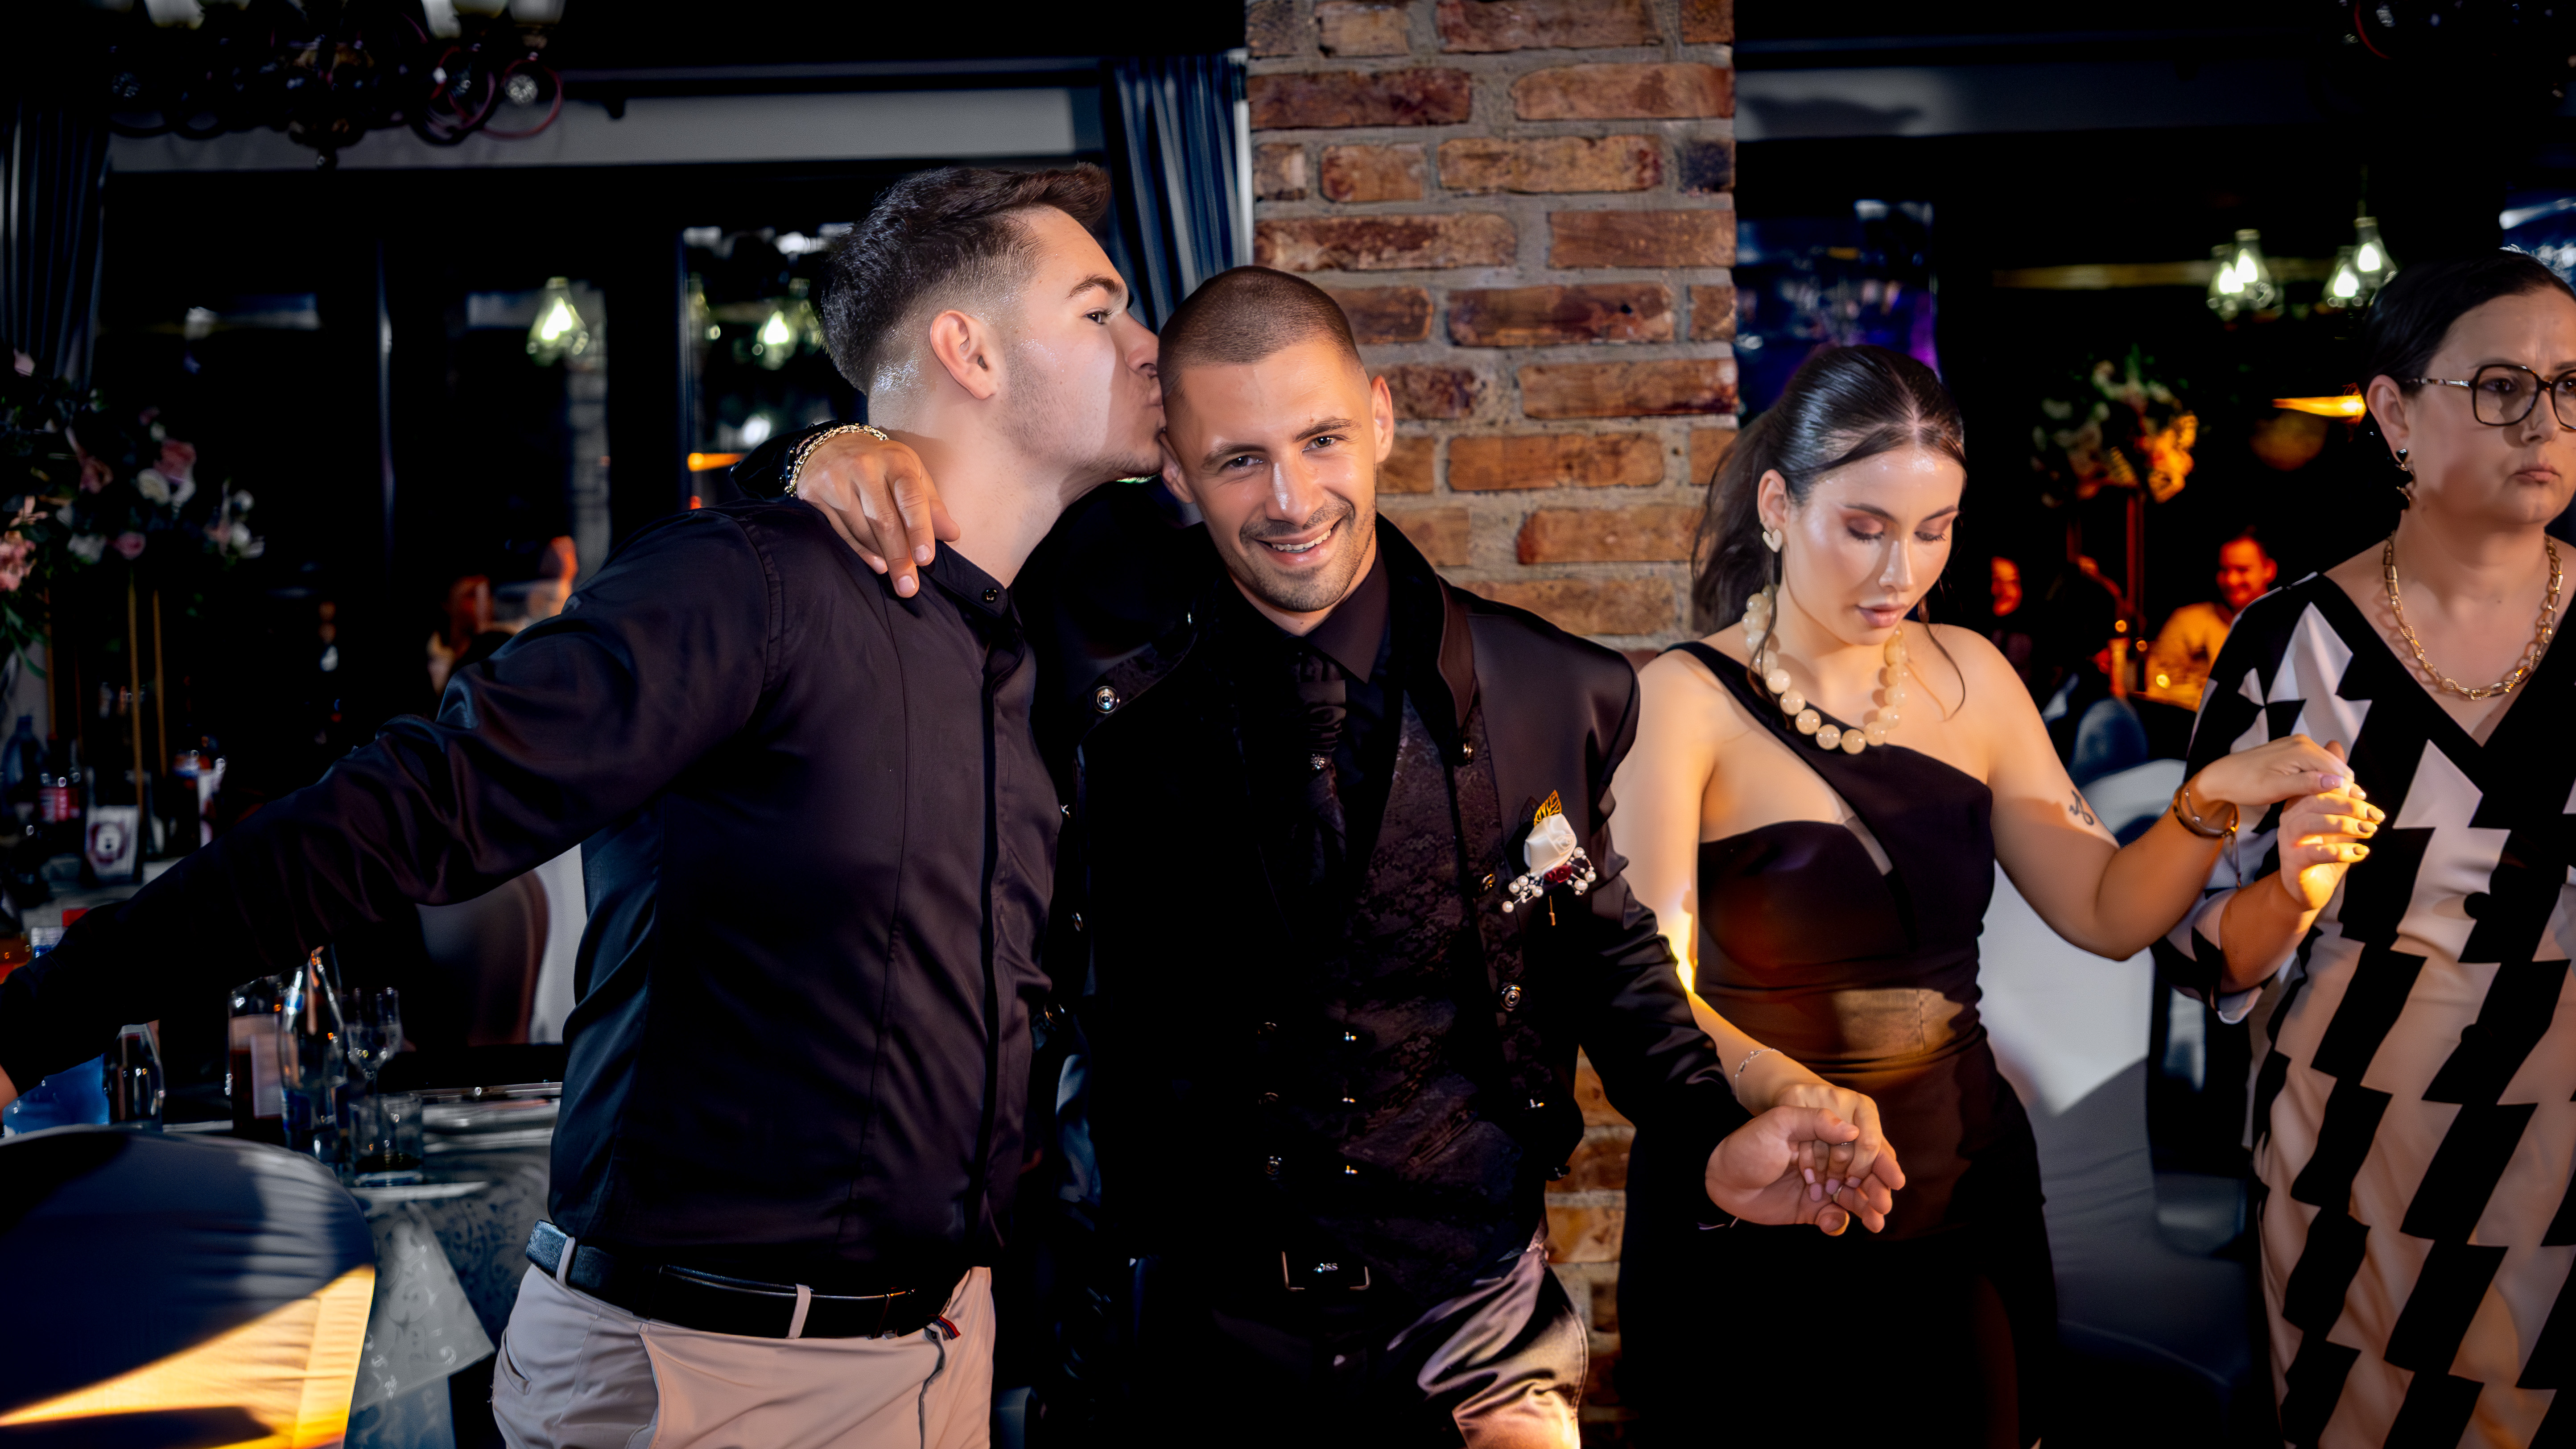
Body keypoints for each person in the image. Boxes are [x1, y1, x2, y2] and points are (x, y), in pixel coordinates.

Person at [0, 163, 1162, 1449]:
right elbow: (409, 808)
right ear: (969, 352)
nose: (1146, 342)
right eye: (1101, 308)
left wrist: (813, 445)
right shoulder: (753, 586)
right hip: (705, 1374)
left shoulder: (1028, 631)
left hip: (941, 1357)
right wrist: (31, 1023)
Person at [744, 267, 1903, 1446]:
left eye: (1322, 440)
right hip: (1173, 1341)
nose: (1292, 499)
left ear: (1381, 418)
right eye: (1239, 460)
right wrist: (820, 453)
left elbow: (1604, 957)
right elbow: (830, 536)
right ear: (1175, 469)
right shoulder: (1077, 651)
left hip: (1472, 1334)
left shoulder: (1559, 688)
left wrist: (1709, 1131)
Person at [1607, 344, 2362, 1448]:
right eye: (1864, 527)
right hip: (1761, 1188)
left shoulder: (1970, 675)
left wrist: (2208, 803)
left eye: (1934, 530)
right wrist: (1779, 1089)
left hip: (1963, 1187)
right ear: (1777, 505)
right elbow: (1647, 986)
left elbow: (2104, 911)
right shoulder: (1679, 699)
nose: (1899, 572)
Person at [2158, 252, 2576, 1447]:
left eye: (2569, 385)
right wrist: (2291, 894)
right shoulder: (2285, 647)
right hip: (2357, 1165)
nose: (2544, 421)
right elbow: (2201, 949)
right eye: (2501, 386)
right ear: (2393, 412)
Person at [2143, 527, 2279, 712]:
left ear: (2269, 570)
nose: (2231, 580)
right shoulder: (2188, 622)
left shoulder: (2290, 626)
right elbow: (2157, 689)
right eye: (2224, 570)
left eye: (2242, 570)